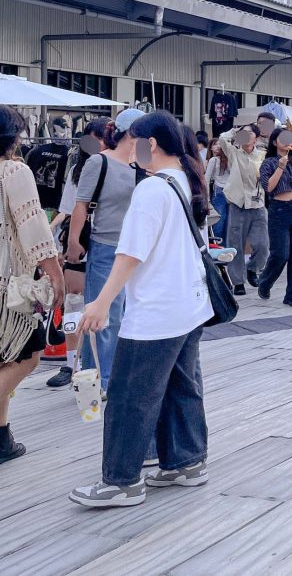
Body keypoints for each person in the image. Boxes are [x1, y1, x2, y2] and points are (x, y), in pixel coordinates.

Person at [69, 111, 213, 507]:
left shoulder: (151, 189)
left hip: (155, 312)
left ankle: (121, 480)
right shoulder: (184, 179)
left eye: (134, 140)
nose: (129, 147)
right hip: (188, 306)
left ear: (151, 145)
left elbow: (131, 253)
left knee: (131, 394)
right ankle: (187, 462)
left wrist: (100, 302)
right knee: (182, 386)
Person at [0, 104, 65, 468]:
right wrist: (55, 275)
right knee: (26, 356)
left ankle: (1, 439)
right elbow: (34, 228)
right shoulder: (13, 171)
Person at [66, 108, 145, 392]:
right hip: (105, 246)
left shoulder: (144, 166)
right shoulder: (99, 162)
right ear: (131, 132)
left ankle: (107, 376)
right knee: (103, 316)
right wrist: (74, 242)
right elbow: (81, 205)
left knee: (125, 314)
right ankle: (100, 378)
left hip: (136, 249)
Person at [45, 116, 111, 389]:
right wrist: (61, 238)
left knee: (104, 308)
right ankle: (71, 364)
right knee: (74, 304)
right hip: (80, 243)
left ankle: (98, 366)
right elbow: (70, 207)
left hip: (109, 244)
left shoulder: (123, 166)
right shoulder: (78, 169)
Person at [256, 127, 292, 307]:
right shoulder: (269, 163)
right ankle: (265, 282)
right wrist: (280, 167)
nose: (288, 141)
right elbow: (268, 187)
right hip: (279, 210)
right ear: (274, 142)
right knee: (280, 254)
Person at [218, 124, 266, 296]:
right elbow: (222, 138)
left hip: (258, 203)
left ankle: (253, 268)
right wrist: (235, 130)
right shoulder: (234, 152)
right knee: (235, 243)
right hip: (237, 203)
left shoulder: (262, 155)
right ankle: (238, 281)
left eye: (249, 133)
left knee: (262, 244)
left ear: (257, 137)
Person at [204, 138, 230, 242]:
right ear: (210, 147)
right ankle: (222, 246)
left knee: (221, 221)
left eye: (220, 144)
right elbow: (207, 179)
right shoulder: (213, 160)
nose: (218, 146)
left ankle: (220, 246)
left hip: (222, 192)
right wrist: (207, 198)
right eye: (215, 144)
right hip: (222, 192)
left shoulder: (224, 159)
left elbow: (206, 179)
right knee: (224, 222)